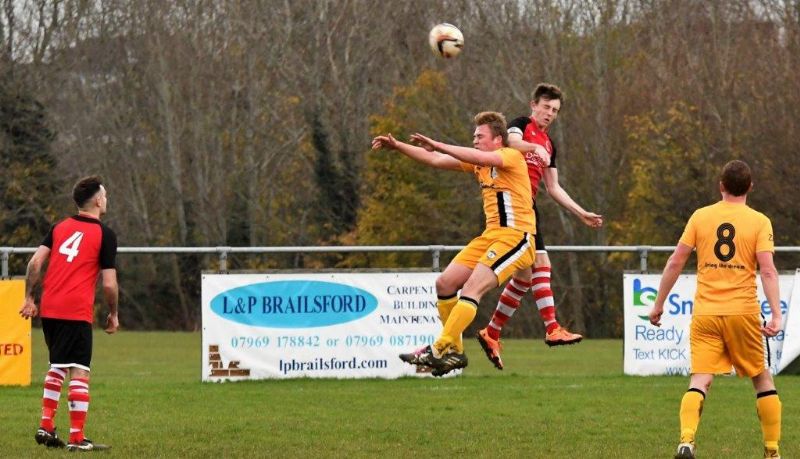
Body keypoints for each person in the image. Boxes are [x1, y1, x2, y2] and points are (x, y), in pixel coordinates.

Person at [371, 111, 537, 377]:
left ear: (498, 140)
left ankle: (438, 349)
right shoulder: (480, 164)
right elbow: (435, 159)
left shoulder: (510, 156)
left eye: (479, 136)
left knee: (472, 288)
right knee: (445, 283)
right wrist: (399, 146)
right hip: (490, 236)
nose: (474, 140)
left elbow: (476, 156)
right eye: (473, 136)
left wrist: (437, 143)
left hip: (516, 237)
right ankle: (454, 353)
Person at [647, 160, 782, 459]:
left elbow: (676, 261)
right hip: (743, 312)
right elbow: (769, 271)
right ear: (750, 187)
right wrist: (776, 314)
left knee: (700, 379)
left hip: (706, 312)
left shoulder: (701, 216)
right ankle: (772, 451)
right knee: (761, 378)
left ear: (721, 186)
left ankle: (686, 440)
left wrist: (659, 304)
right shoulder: (759, 221)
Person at [476, 83, 603, 370]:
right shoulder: (521, 125)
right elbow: (510, 142)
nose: (550, 113)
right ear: (534, 104)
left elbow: (554, 187)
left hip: (528, 206)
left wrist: (581, 212)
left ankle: (492, 332)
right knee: (541, 264)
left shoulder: (549, 144)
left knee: (523, 278)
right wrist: (532, 146)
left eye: (555, 110)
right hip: (514, 203)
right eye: (546, 107)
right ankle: (552, 327)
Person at [19, 176, 119, 451]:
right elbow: (109, 284)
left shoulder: (59, 227)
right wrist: (113, 313)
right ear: (98, 200)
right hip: (76, 310)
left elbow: (35, 261)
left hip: (50, 308)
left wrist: (29, 296)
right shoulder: (104, 234)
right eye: (106, 195)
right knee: (79, 370)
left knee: (58, 365)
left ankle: (47, 426)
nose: (107, 200)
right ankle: (77, 438)